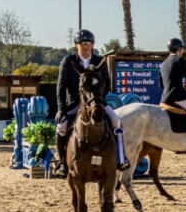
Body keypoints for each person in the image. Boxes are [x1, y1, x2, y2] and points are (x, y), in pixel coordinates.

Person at [55, 30, 130, 177]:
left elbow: (107, 84)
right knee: (62, 127)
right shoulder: (69, 61)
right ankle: (63, 163)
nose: (85, 47)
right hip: (76, 104)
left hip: (97, 102)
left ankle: (120, 158)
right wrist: (61, 109)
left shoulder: (99, 61)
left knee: (116, 120)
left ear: (92, 45)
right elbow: (61, 86)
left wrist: (98, 100)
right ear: (76, 45)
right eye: (82, 44)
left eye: (88, 44)